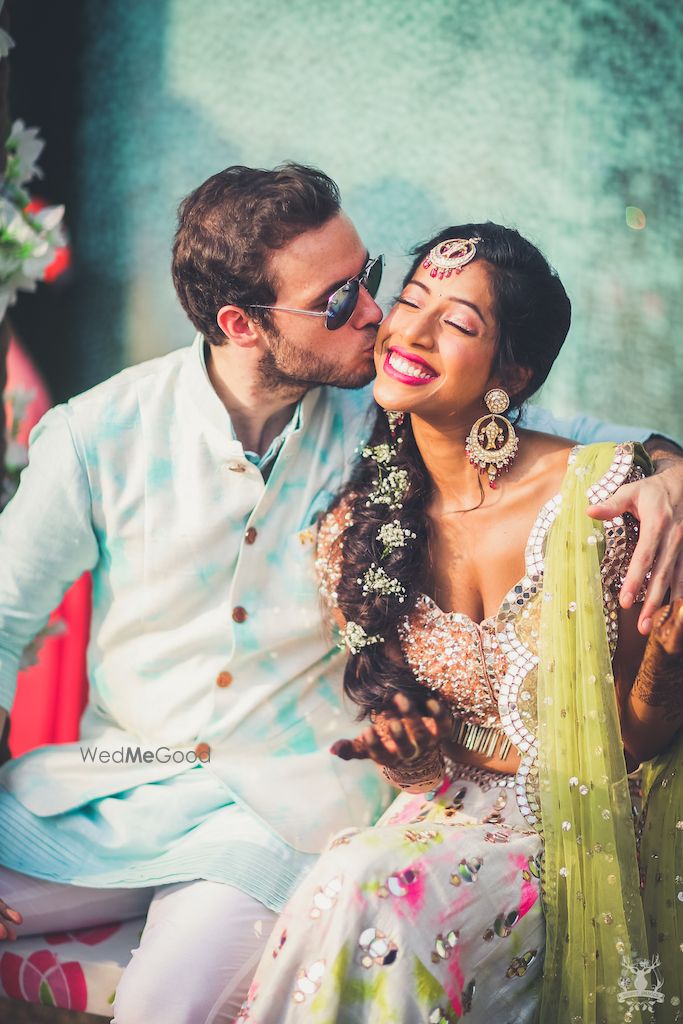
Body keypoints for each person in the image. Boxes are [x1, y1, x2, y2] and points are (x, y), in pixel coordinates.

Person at [0, 166, 680, 1024]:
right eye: (337, 301)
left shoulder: (390, 408)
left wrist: (671, 471)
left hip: (278, 815)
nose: (373, 314)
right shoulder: (97, 435)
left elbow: (570, 437)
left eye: (369, 278)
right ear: (241, 325)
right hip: (113, 783)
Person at [236, 224, 683, 1024]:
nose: (410, 330)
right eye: (409, 302)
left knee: (375, 887)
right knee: (357, 881)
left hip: (586, 837)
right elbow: (429, 748)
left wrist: (672, 653)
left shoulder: (598, 499)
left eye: (457, 322)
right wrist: (409, 754)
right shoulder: (357, 530)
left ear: (512, 372)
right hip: (439, 820)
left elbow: (631, 742)